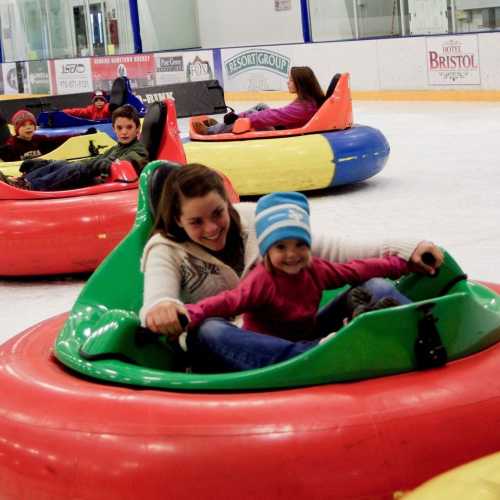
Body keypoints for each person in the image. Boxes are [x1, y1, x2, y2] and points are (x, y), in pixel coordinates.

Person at [139, 164, 444, 372]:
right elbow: (157, 297)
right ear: (178, 220)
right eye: (196, 222)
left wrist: (408, 250)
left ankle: (425, 337)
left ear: (227, 205)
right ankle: (324, 354)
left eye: (218, 213)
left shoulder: (256, 220)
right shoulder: (164, 250)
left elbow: (337, 254)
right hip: (233, 349)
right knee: (210, 329)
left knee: (374, 287)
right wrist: (164, 309)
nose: (211, 228)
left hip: (298, 334)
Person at [180, 192, 414, 371]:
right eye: (281, 247)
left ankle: (414, 331)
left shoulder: (314, 269)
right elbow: (229, 301)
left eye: (300, 245)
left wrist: (398, 264)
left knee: (376, 286)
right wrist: (191, 313)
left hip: (312, 337)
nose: (292, 255)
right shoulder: (262, 279)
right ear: (267, 251)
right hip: (271, 353)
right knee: (210, 330)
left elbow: (353, 270)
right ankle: (336, 344)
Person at [0, 105, 148, 191]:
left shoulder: (138, 150)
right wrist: (49, 163)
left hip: (107, 185)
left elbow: (123, 164)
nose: (124, 132)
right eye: (120, 128)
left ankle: (30, 187)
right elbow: (97, 160)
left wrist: (97, 165)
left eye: (129, 127)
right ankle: (24, 180)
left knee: (78, 168)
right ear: (114, 129)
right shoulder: (115, 148)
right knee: (62, 164)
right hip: (102, 177)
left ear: (137, 129)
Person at [192, 66, 325, 135]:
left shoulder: (304, 106)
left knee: (252, 117)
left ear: (300, 83)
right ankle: (219, 127)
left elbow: (276, 115)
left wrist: (244, 118)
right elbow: (278, 113)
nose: (287, 82)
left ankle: (210, 131)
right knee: (261, 107)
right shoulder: (307, 100)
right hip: (284, 127)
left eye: (290, 80)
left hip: (283, 135)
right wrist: (239, 116)